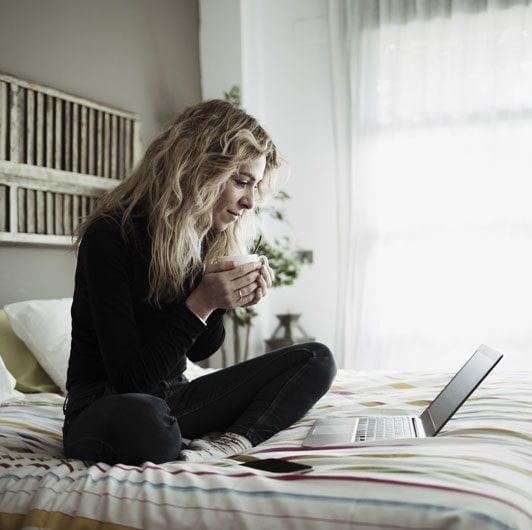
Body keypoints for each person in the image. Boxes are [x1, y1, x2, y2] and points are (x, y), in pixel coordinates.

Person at [62, 99, 336, 465]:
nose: (249, 201)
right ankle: (178, 437)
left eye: (254, 186)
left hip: (174, 399)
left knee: (316, 358)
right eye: (241, 182)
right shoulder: (110, 236)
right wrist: (203, 303)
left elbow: (199, 351)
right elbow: (130, 381)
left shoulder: (201, 236)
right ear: (199, 169)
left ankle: (229, 443)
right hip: (105, 406)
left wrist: (222, 300)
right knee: (148, 422)